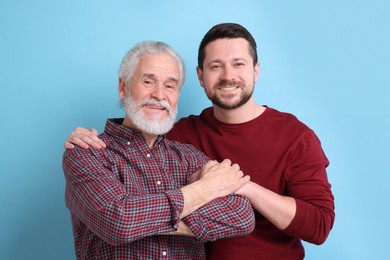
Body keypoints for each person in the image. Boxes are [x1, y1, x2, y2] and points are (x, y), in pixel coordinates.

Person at [65, 23, 335, 259]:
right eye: (216, 66)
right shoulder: (177, 135)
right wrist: (206, 190)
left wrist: (243, 187)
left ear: (256, 70)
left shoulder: (294, 136)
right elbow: (118, 219)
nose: (228, 76)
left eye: (238, 64)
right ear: (200, 76)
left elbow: (245, 217)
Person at [62, 40, 255, 259]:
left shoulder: (188, 156)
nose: (160, 95)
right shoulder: (86, 153)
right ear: (123, 87)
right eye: (148, 82)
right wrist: (205, 190)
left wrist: (143, 217)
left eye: (170, 86)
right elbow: (119, 221)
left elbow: (241, 215)